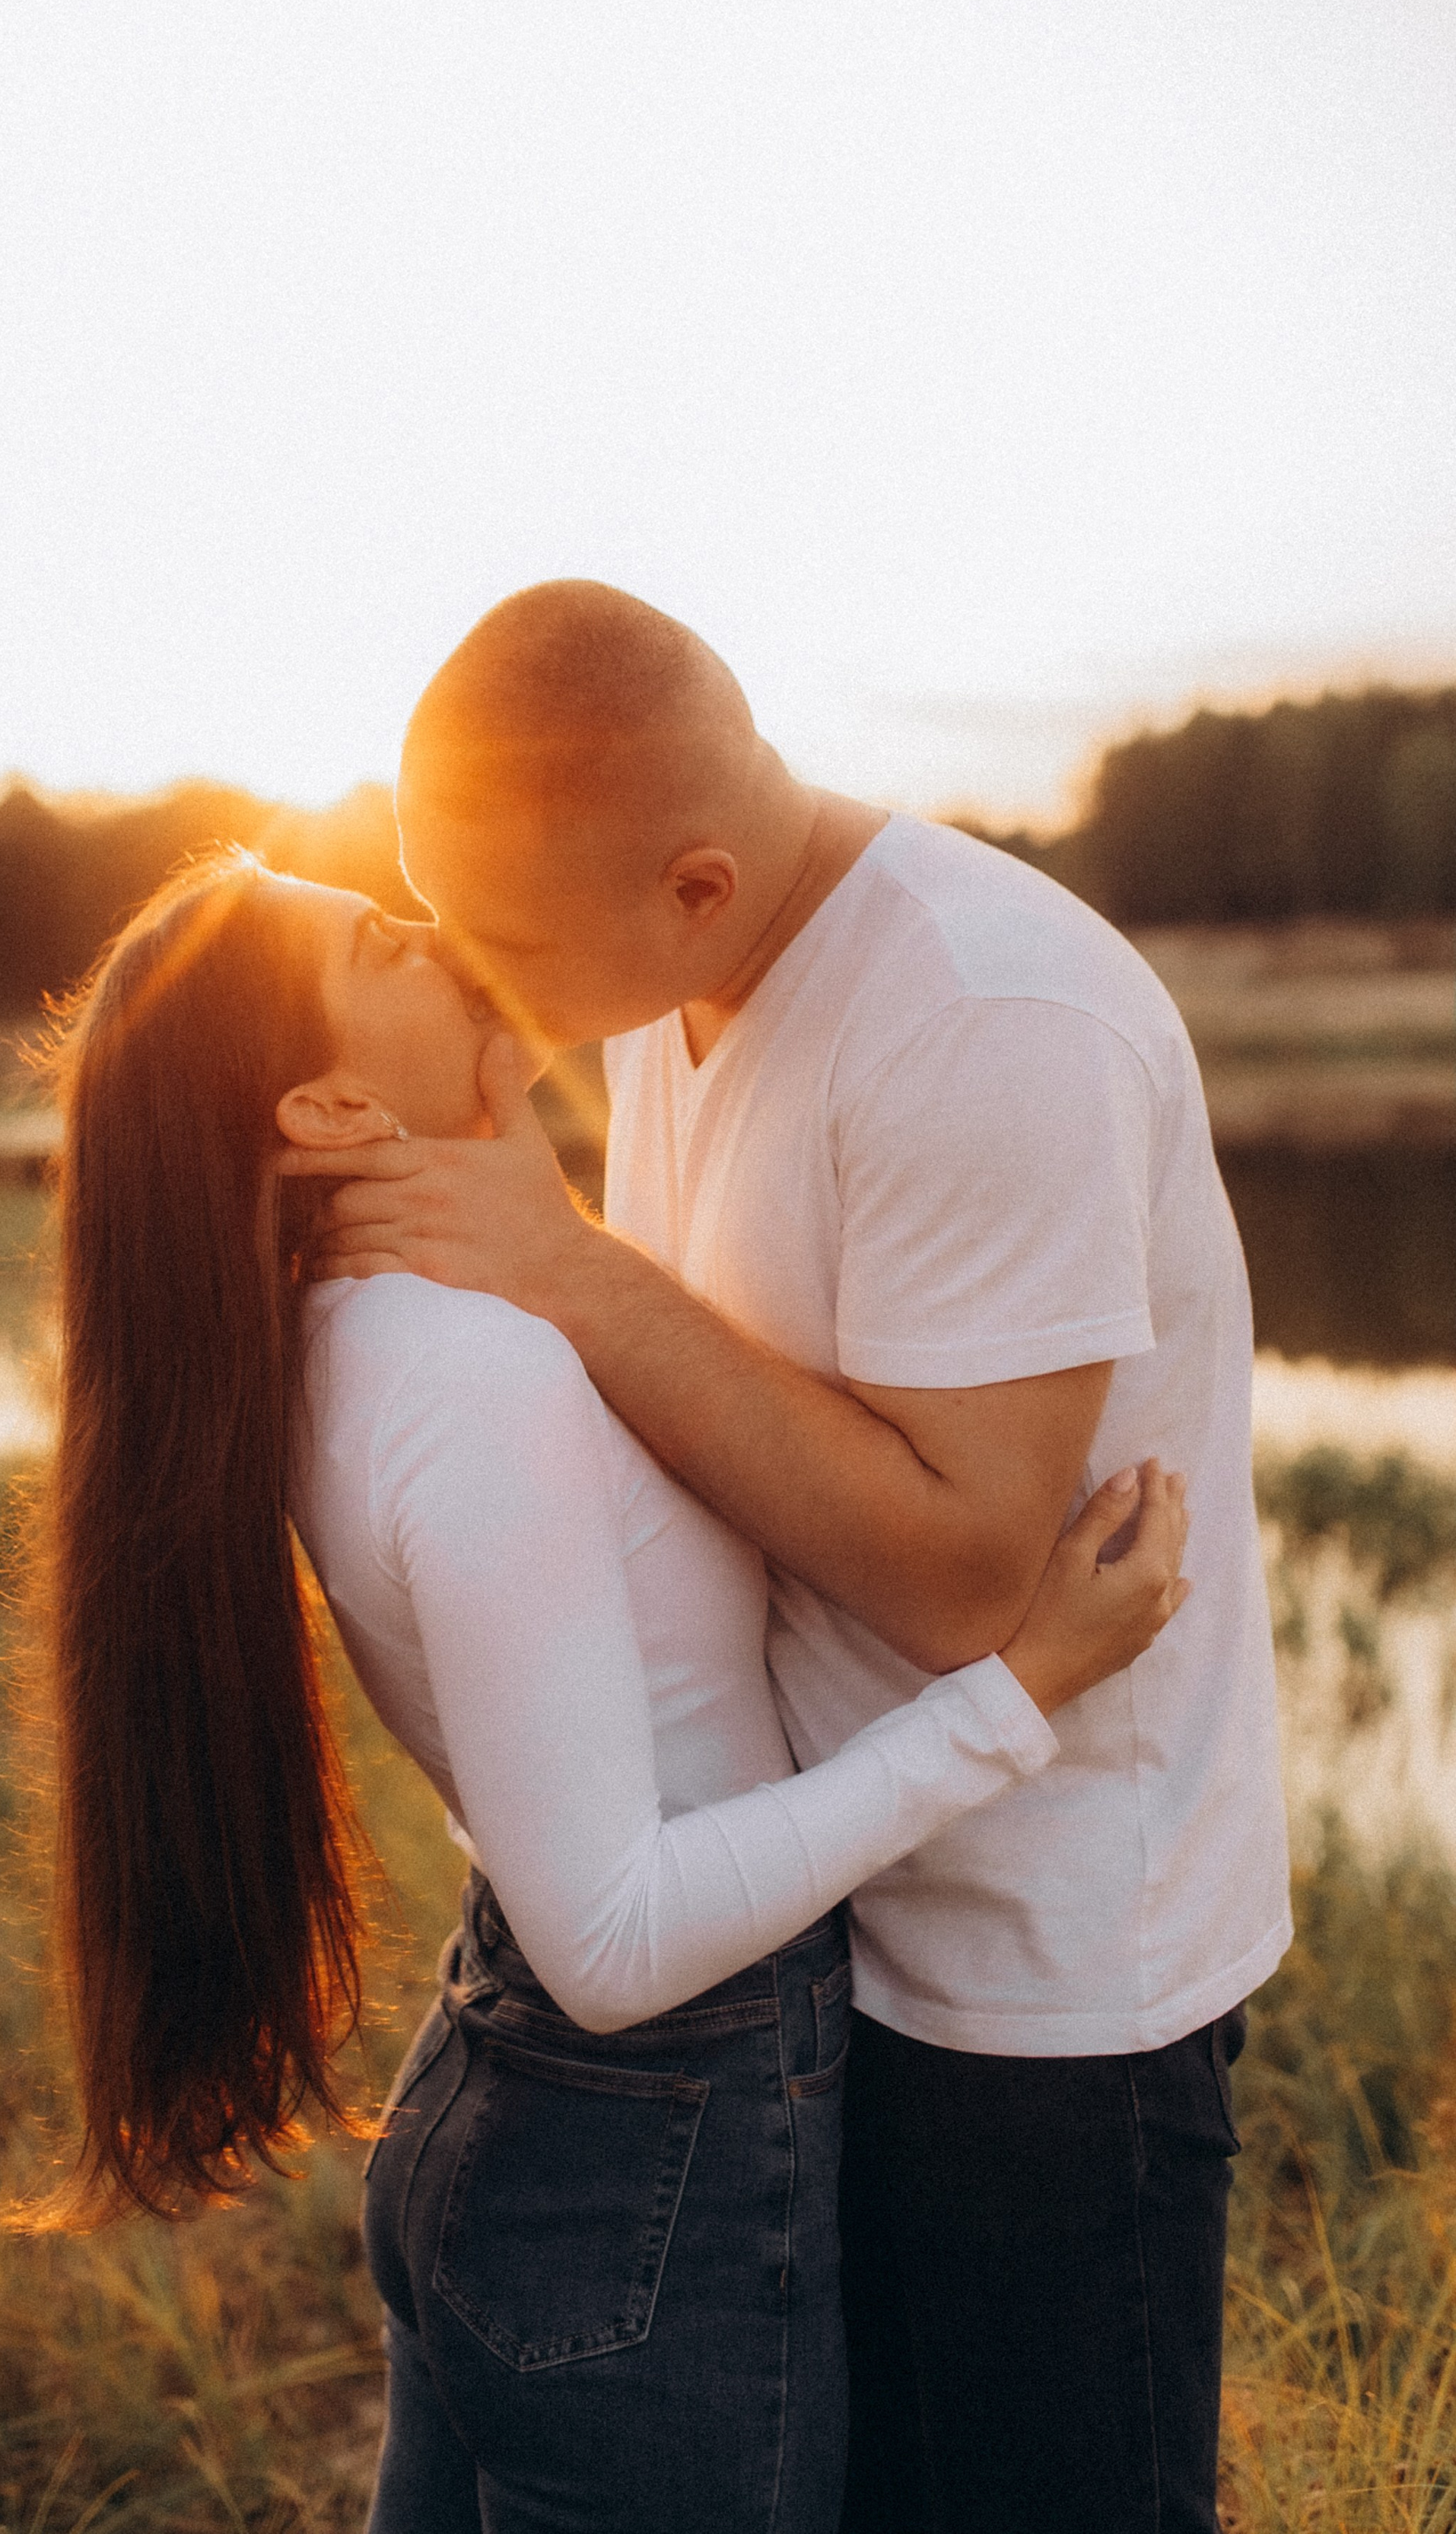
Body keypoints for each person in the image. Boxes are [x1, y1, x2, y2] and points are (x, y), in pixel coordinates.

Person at [18, 846, 1189, 2534]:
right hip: (642, 2165)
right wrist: (1017, 1691)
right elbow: (615, 1944)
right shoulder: (469, 1375)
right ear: (335, 1110)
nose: (444, 934)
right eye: (379, 941)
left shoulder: (367, 1339)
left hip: (535, 2131)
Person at [286, 579, 1290, 2534]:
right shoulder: (664, 985)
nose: (480, 991)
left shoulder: (987, 1022)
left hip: (1038, 1987)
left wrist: (564, 1268)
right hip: (807, 1951)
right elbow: (720, 1404)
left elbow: (961, 1581)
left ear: (695, 879)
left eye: (497, 942)